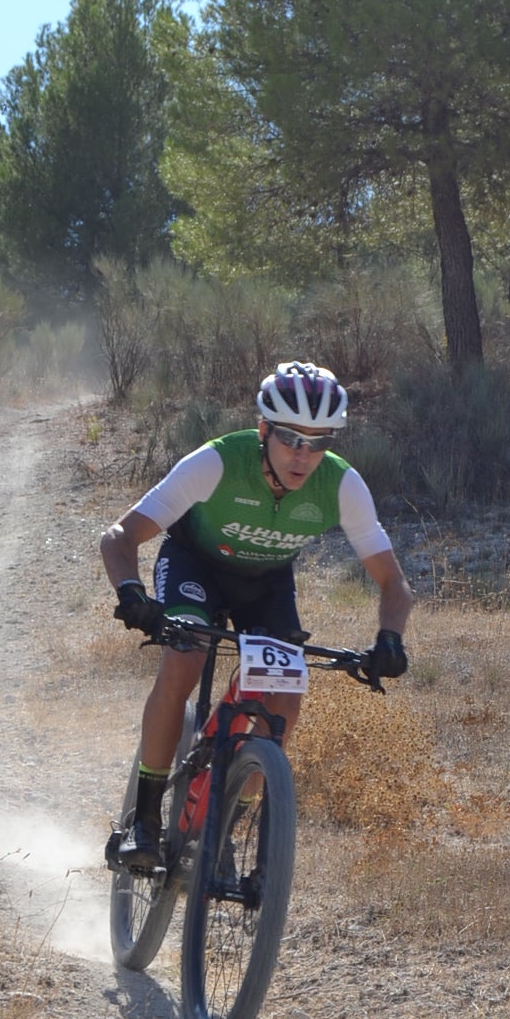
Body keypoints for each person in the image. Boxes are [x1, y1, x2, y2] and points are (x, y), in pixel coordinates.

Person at [99, 360, 413, 871]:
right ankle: (145, 820)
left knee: (286, 693)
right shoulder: (218, 462)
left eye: (319, 442)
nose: (303, 455)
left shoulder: (341, 484)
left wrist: (390, 640)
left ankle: (223, 827)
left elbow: (393, 582)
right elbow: (120, 536)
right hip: (194, 564)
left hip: (264, 584)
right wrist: (133, 595)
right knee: (185, 658)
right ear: (264, 429)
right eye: (290, 438)